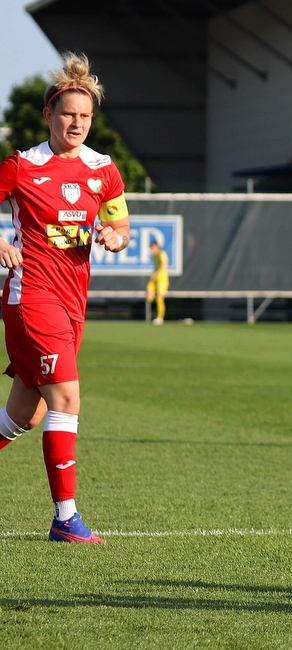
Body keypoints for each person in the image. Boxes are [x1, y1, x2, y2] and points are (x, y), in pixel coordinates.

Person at [0, 53, 130, 543]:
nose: (76, 123)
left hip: (73, 301)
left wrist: (116, 238)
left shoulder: (104, 169)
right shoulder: (21, 166)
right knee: (67, 398)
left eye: (85, 116)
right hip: (30, 295)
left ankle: (65, 517)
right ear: (49, 116)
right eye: (68, 114)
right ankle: (66, 519)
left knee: (24, 415)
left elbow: (119, 222)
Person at [146, 239, 168, 325]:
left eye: (153, 247)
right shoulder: (154, 256)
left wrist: (156, 274)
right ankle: (150, 314)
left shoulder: (162, 254)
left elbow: (163, 265)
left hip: (162, 279)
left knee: (159, 298)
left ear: (157, 247)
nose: (152, 249)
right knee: (149, 294)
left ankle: (160, 318)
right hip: (154, 279)